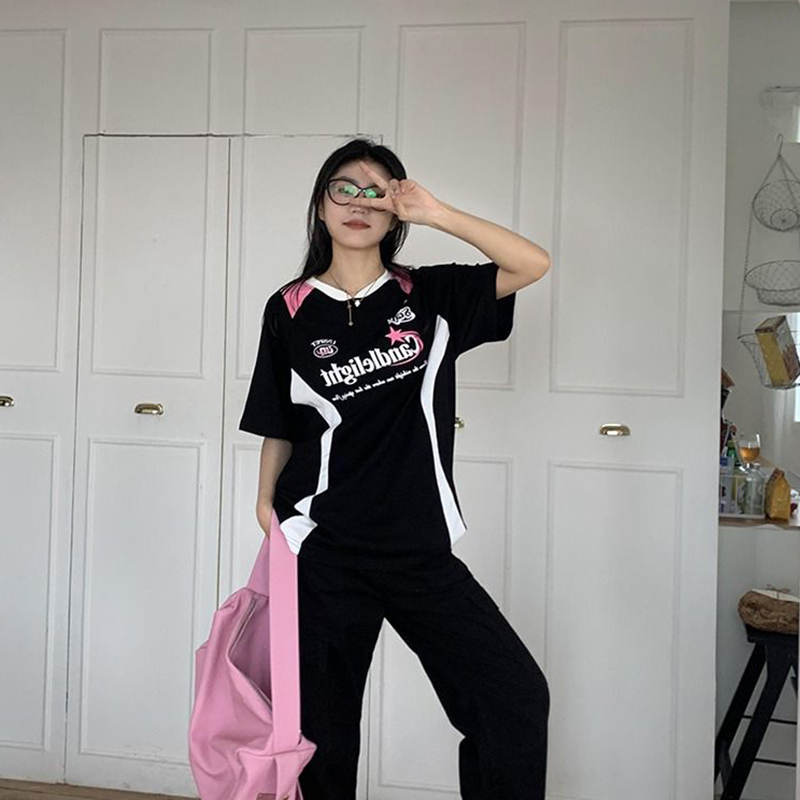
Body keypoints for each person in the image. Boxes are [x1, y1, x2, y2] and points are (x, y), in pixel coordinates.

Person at [238, 137, 551, 799]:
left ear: (395, 210)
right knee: (322, 744)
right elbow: (280, 421)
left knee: (514, 699)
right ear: (320, 206)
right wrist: (266, 504)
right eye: (343, 189)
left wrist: (437, 213)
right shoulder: (288, 309)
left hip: (418, 552)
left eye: (376, 191)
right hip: (324, 554)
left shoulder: (431, 296)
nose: (359, 202)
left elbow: (532, 263)